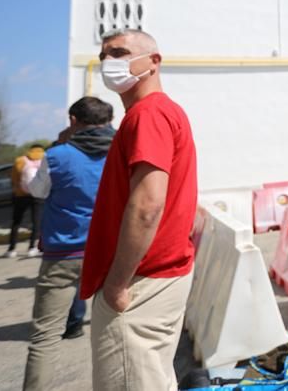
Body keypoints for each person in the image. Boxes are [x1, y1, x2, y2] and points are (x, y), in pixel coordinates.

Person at [80, 28, 198, 391]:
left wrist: (117, 283)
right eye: (104, 57)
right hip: (154, 279)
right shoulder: (162, 113)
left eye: (118, 52)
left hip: (140, 283)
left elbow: (148, 204)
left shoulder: (148, 114)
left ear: (154, 61)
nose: (108, 63)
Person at [22, 96, 115, 391]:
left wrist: (56, 146)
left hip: (62, 253)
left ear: (74, 121)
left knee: (45, 336)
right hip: (108, 253)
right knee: (112, 332)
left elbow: (37, 190)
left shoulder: (59, 155)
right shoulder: (121, 152)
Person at [7, 144, 45, 258]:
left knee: (16, 221)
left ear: (30, 150)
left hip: (21, 195)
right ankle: (32, 248)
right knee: (36, 221)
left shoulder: (20, 160)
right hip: (38, 195)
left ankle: (11, 249)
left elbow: (14, 179)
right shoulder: (45, 160)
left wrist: (17, 189)